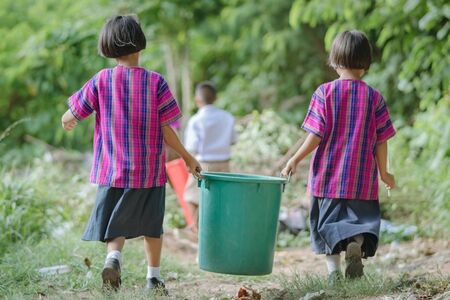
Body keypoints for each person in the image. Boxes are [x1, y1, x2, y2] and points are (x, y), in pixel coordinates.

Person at [60, 15, 201, 293]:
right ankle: (154, 278)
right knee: (152, 225)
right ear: (140, 45)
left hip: (112, 169)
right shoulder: (155, 82)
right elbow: (167, 129)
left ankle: (113, 258)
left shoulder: (101, 80)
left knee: (116, 220)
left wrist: (67, 118)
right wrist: (187, 157)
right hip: (148, 171)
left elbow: (74, 112)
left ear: (108, 47)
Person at [281, 30, 396, 284]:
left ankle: (333, 274)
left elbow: (315, 136)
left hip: (328, 178)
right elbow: (381, 140)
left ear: (334, 60)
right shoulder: (375, 97)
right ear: (366, 63)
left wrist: (295, 159)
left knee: (327, 226)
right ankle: (356, 242)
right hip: (361, 180)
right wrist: (384, 173)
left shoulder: (325, 93)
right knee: (360, 221)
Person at [183, 82, 236, 234]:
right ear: (216, 98)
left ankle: (197, 229)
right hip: (224, 164)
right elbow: (233, 140)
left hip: (203, 164)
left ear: (197, 100)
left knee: (191, 195)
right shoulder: (227, 117)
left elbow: (191, 147)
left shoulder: (195, 120)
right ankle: (218, 229)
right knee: (220, 198)